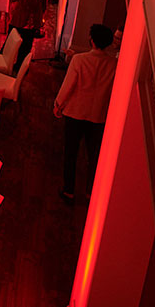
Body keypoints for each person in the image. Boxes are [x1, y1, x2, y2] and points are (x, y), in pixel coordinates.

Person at [55, 23, 118, 203]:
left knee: (71, 153)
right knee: (94, 156)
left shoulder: (80, 60)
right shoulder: (114, 64)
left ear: (91, 40)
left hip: (75, 112)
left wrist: (58, 104)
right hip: (98, 115)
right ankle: (91, 191)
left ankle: (69, 189)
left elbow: (68, 86)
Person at [7, 0, 48, 71]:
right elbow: (44, 1)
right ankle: (20, 66)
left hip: (19, 17)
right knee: (27, 44)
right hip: (33, 19)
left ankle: (5, 59)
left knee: (10, 39)